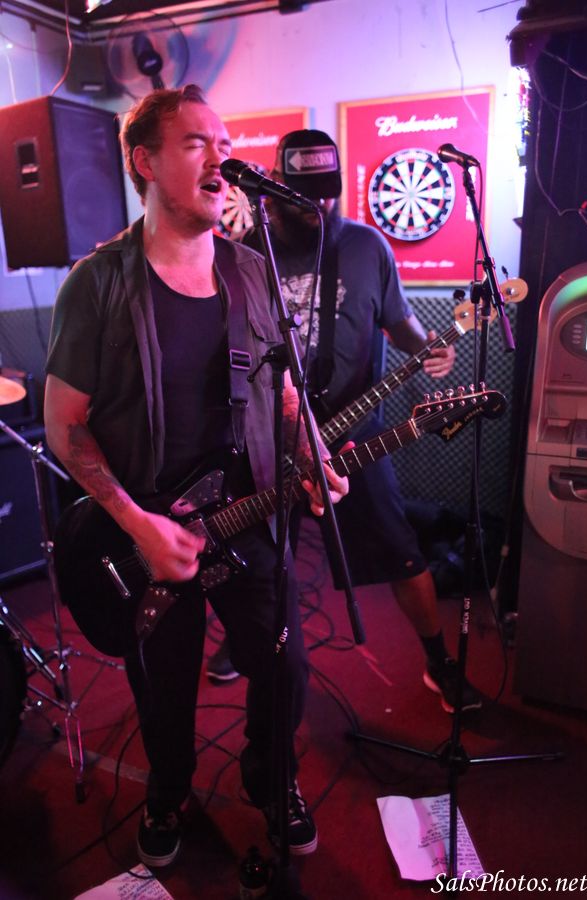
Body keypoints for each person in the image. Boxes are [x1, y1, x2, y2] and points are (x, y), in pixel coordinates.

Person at [44, 90, 348, 869]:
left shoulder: (251, 272)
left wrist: (310, 453)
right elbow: (65, 425)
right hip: (149, 530)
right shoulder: (98, 283)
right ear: (144, 162)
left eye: (225, 143)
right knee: (166, 686)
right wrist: (138, 524)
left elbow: (283, 390)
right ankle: (169, 791)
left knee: (283, 667)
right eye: (195, 144)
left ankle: (269, 779)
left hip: (249, 515)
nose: (221, 158)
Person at [208, 129, 482, 715]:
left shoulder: (365, 247)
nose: (320, 204)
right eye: (305, 195)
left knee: (402, 550)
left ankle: (438, 660)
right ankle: (246, 638)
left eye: (328, 192)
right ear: (273, 190)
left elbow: (400, 323)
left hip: (354, 431)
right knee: (261, 555)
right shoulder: (243, 254)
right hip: (268, 439)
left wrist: (428, 347)